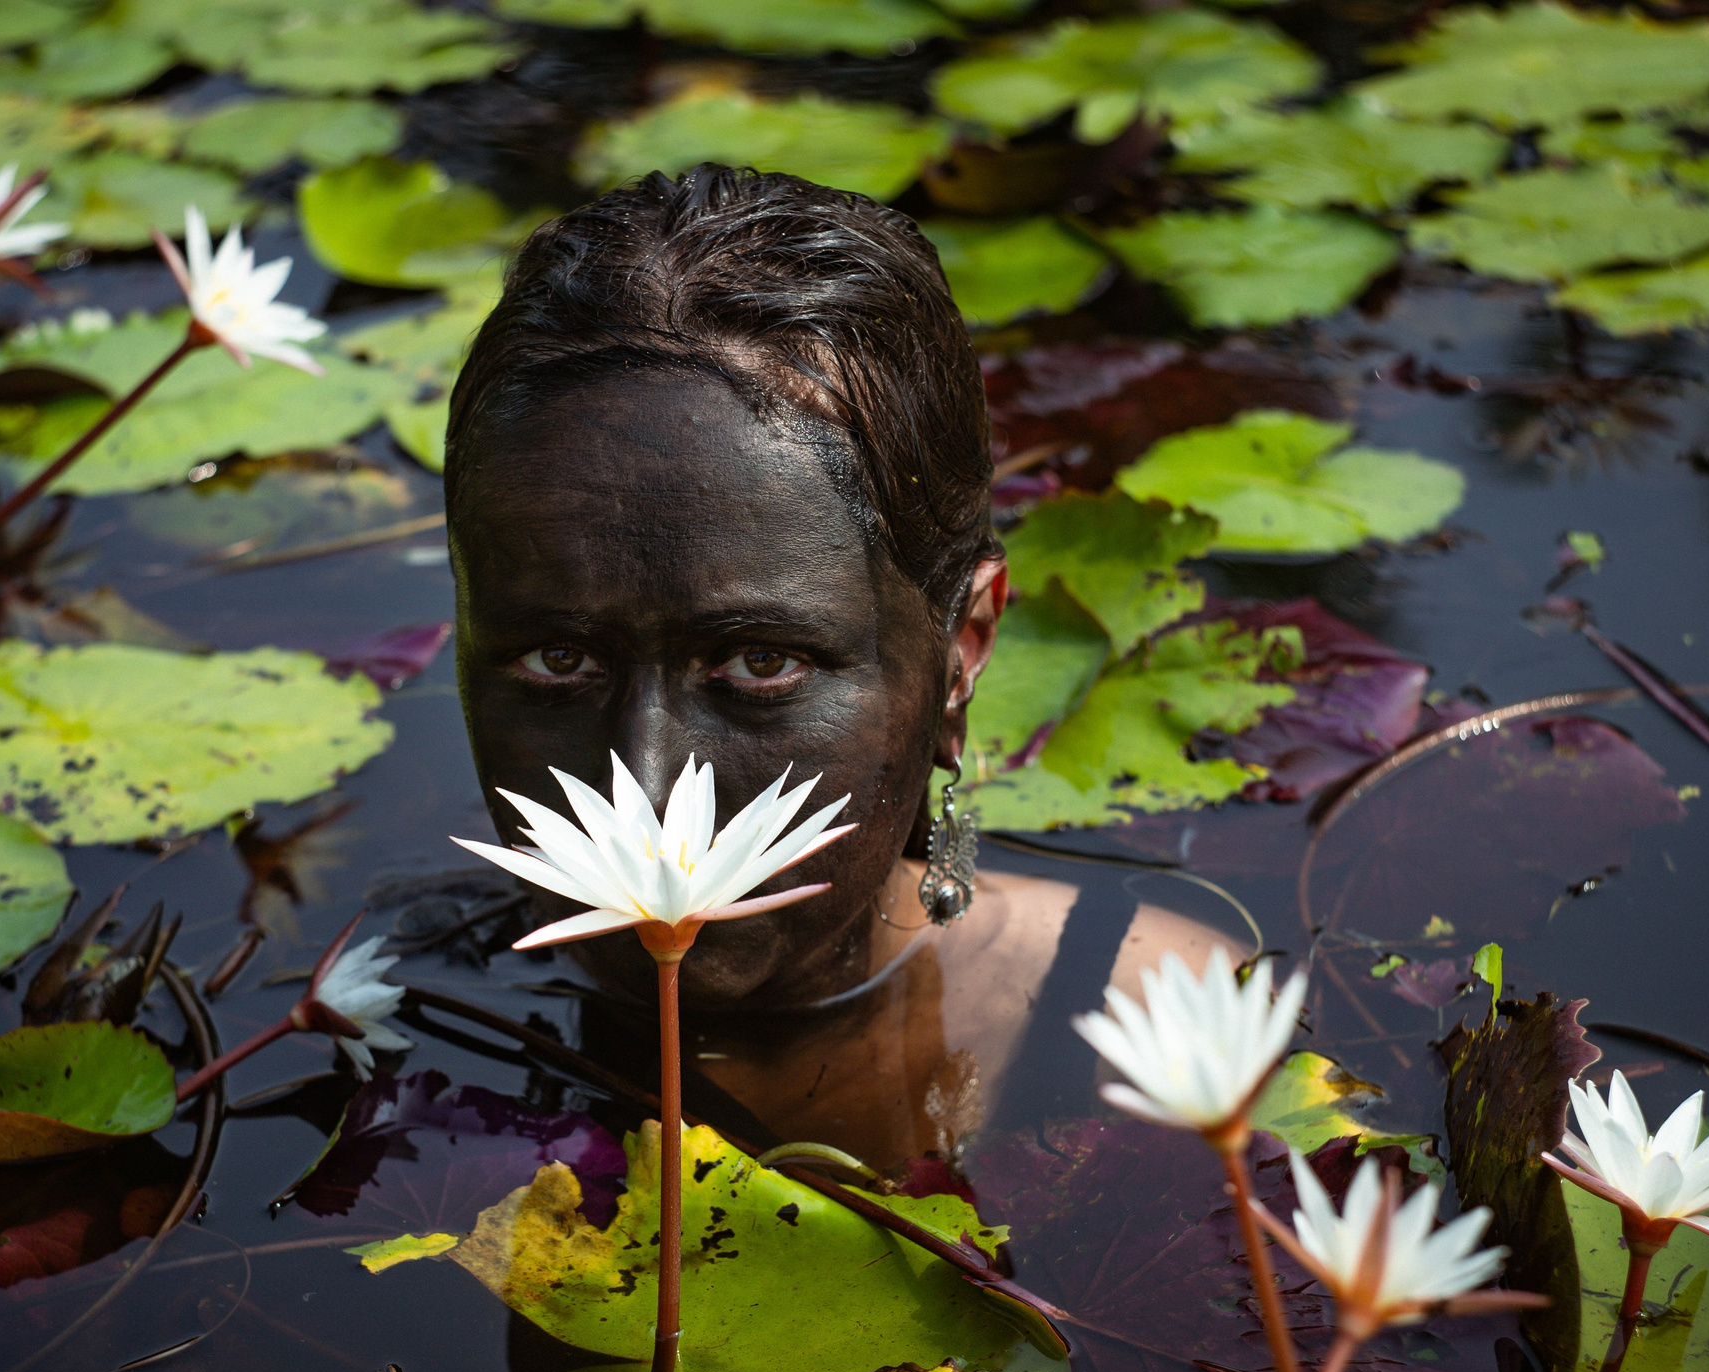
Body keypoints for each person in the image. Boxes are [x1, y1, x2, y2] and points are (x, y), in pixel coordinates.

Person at [443, 165, 1234, 1174]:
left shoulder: (1170, 1033)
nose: (641, 796)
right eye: (557, 660)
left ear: (963, 649)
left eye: (760, 663)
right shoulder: (372, 1024)